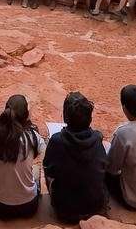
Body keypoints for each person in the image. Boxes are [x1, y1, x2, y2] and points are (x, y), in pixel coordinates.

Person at [44, 92, 108, 223]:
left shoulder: (57, 140)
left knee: (48, 170)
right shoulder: (97, 138)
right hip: (96, 208)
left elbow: (49, 170)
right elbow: (104, 167)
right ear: (90, 118)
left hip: (66, 211)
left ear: (65, 118)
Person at [0, 95, 45, 219]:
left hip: (2, 209)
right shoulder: (32, 136)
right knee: (35, 170)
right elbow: (42, 153)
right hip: (30, 207)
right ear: (26, 115)